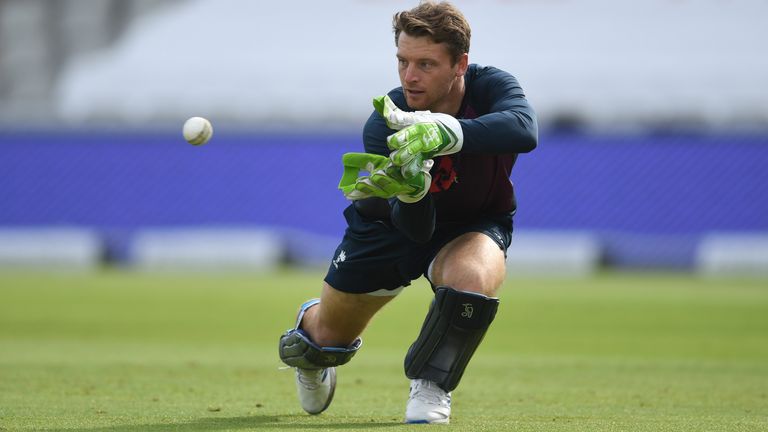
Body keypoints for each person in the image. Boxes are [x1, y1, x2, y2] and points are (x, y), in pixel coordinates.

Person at [279, 0, 537, 424]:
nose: (409, 76)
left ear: (460, 64)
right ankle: (311, 338)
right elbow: (415, 232)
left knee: (473, 278)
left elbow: (523, 130)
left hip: (474, 223)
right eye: (402, 61)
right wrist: (414, 193)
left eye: (426, 64)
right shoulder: (385, 123)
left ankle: (431, 385)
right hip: (389, 227)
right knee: (326, 340)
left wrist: (447, 132)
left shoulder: (490, 87)